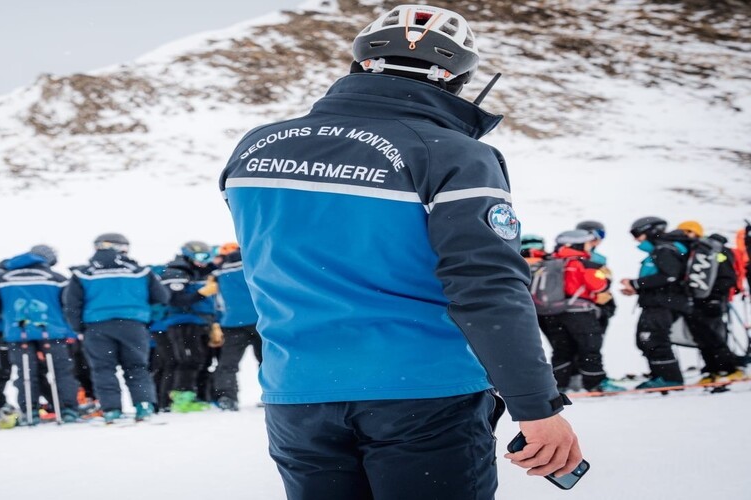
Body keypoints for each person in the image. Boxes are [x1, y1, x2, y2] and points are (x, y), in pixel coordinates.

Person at [218, 6, 581, 498]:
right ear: (458, 80)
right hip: (424, 393)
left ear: (361, 64)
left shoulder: (255, 148)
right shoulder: (453, 153)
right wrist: (537, 406)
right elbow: (487, 285)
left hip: (298, 394)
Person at [63, 233, 169, 423]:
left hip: (97, 327)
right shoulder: (140, 271)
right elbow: (161, 298)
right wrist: (147, 319)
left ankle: (111, 410)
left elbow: (71, 304)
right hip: (133, 325)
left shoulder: (83, 273)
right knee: (137, 367)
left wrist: (79, 328)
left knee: (103, 369)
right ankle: (144, 406)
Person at [0, 245, 83, 424]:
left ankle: (30, 411)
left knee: (26, 372)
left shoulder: (2, 278)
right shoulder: (56, 278)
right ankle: (68, 409)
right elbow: (69, 304)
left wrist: (6, 314)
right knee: (61, 372)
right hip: (52, 330)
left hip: (18, 331)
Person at [537, 230, 622, 393]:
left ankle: (559, 384)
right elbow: (599, 286)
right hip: (580, 312)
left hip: (551, 313)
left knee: (562, 349)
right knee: (590, 347)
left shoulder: (549, 262)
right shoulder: (584, 263)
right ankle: (595, 383)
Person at [619, 217, 692, 389]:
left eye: (637, 234)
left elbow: (670, 276)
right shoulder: (662, 249)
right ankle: (660, 374)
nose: (636, 239)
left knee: (654, 338)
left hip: (664, 303)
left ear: (650, 231)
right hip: (659, 301)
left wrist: (637, 283)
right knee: (645, 339)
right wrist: (637, 287)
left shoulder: (664, 249)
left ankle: (670, 378)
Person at [675, 223, 745, 382]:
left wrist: (716, 296)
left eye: (687, 232)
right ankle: (712, 369)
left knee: (713, 335)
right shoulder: (695, 251)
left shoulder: (714, 251)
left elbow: (727, 275)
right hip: (697, 301)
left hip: (712, 300)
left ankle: (729, 368)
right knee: (701, 336)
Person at [158, 241, 219, 413]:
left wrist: (214, 322)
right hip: (183, 323)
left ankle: (200, 396)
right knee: (188, 359)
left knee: (203, 360)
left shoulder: (206, 272)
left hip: (203, 322)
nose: (204, 261)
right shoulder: (176, 272)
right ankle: (180, 399)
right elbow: (175, 300)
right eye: (200, 257)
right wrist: (201, 293)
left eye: (208, 257)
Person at [210, 242, 262, 410]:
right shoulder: (254, 263)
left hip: (233, 322)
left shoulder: (218, 273)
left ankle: (227, 398)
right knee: (266, 361)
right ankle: (273, 395)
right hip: (259, 320)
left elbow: (216, 301)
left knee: (227, 364)